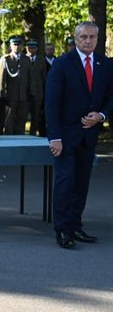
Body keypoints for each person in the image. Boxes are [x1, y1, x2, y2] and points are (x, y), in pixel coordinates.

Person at [45, 21, 113, 249]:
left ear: (97, 38)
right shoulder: (63, 64)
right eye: (83, 37)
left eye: (92, 37)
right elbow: (52, 103)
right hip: (64, 137)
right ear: (75, 39)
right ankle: (63, 230)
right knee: (65, 182)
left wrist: (101, 115)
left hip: (89, 135)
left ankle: (75, 225)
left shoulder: (105, 64)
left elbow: (110, 97)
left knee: (81, 183)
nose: (88, 41)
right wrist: (54, 137)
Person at [0, 35, 30, 134]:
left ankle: (20, 141)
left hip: (23, 95)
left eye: (19, 44)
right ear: (10, 46)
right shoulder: (5, 59)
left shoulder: (26, 59)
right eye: (14, 44)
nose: (17, 46)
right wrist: (2, 95)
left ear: (22, 46)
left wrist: (29, 93)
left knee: (21, 120)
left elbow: (29, 78)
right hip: (10, 96)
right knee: (9, 121)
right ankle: (9, 141)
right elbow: (1, 79)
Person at [25, 39, 47, 136]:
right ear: (26, 48)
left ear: (37, 49)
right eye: (29, 48)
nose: (31, 50)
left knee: (35, 116)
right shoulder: (23, 59)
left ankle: (32, 135)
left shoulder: (41, 60)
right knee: (23, 116)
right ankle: (21, 136)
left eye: (33, 48)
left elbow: (43, 76)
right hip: (24, 93)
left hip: (38, 93)